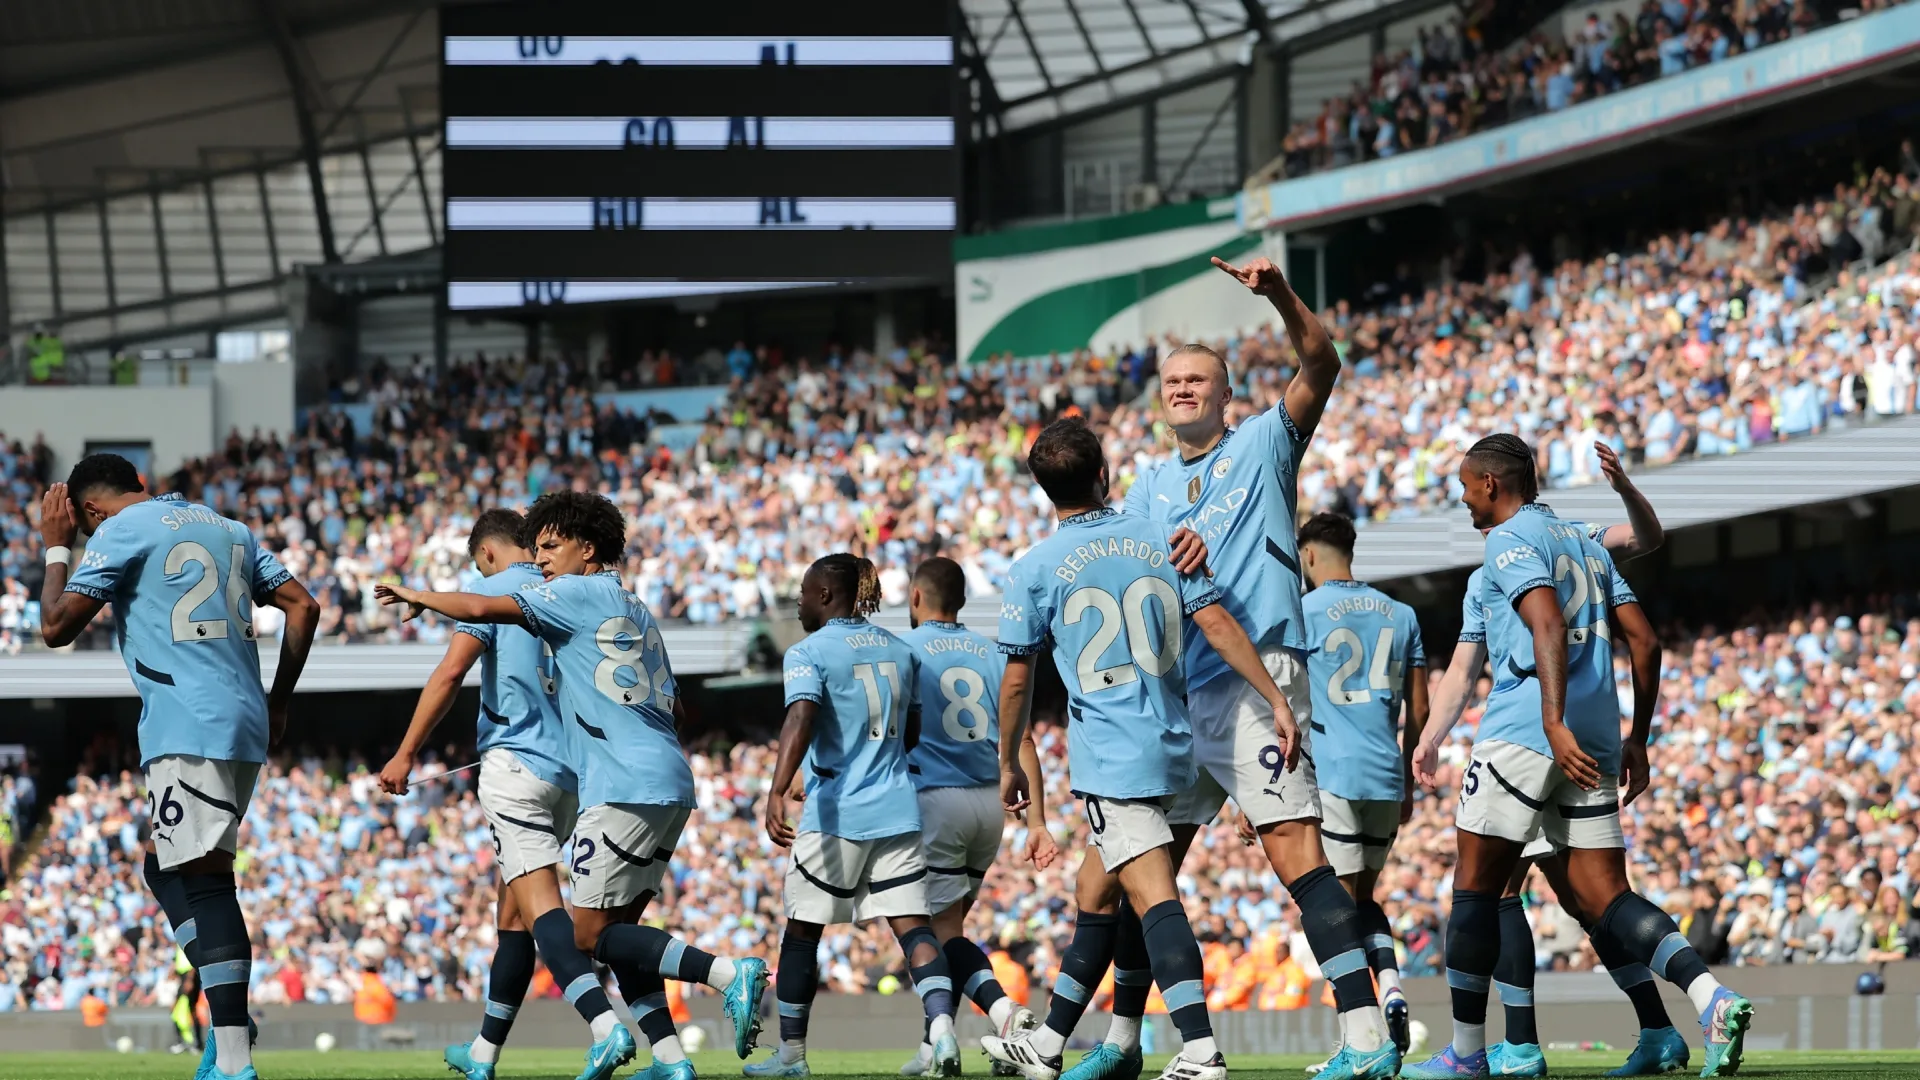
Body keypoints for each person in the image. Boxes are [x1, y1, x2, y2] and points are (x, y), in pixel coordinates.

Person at [1082, 257, 1396, 1080]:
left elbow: (1322, 364)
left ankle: (1367, 1041)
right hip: (1183, 694)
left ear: (1226, 395)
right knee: (1144, 871)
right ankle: (1121, 1044)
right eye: (1172, 380)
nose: (1183, 389)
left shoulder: (1264, 442)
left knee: (1296, 850)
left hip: (1261, 680)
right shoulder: (1146, 490)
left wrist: (1282, 297)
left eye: (1198, 380)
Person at [374, 491, 767, 1080]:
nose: (541, 559)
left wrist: (419, 595)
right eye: (536, 548)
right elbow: (678, 707)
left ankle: (722, 973)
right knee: (617, 931)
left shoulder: (568, 594)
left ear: (588, 549)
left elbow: (479, 614)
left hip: (616, 782)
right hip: (665, 777)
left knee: (583, 936)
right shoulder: (634, 606)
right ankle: (669, 1059)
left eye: (552, 546)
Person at [1402, 434, 1752, 1080]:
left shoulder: (1508, 544)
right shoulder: (1579, 544)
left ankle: (1472, 1053)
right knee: (1601, 896)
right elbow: (1643, 641)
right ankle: (1708, 999)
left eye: (1463, 482)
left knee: (1478, 890)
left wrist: (1550, 720)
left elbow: (1548, 626)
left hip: (1526, 734)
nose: (1459, 494)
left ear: (1490, 484)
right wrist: (1636, 736)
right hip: (1595, 736)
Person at [986, 418, 1304, 1080]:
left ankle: (1199, 1050)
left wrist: (1008, 756)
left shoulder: (1033, 570)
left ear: (1044, 491)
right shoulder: (1164, 539)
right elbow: (1215, 623)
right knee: (1093, 890)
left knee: (1155, 898)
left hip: (1112, 754)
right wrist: (1275, 697)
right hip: (1171, 738)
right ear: (1105, 475)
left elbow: (1018, 681)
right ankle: (1046, 1045)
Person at [36, 453, 321, 1080]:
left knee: (208, 880)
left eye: (81, 526)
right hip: (242, 717)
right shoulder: (228, 527)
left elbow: (55, 626)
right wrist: (278, 705)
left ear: (90, 511)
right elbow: (304, 606)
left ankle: (235, 1058)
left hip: (190, 721)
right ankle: (230, 1017)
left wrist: (57, 550)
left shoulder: (118, 531)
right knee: (162, 864)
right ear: (141, 483)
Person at [378, 508, 608, 1080]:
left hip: (516, 765)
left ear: (485, 553)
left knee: (541, 908)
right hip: (572, 776)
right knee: (512, 916)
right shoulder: (568, 589)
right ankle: (483, 1054)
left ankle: (604, 1026)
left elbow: (451, 673)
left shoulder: (493, 588)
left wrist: (406, 752)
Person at [748, 554, 962, 1079]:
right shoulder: (899, 649)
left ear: (825, 595)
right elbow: (910, 735)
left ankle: (792, 1057)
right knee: (915, 930)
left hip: (837, 813)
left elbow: (802, 715)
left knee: (802, 933)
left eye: (802, 591)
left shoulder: (807, 652)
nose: (797, 601)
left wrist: (777, 789)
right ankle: (941, 1027)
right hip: (897, 808)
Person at [894, 557, 1038, 1077]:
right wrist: (1037, 818)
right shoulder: (993, 653)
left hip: (937, 798)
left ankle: (1005, 1015)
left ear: (916, 598)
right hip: (989, 804)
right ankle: (936, 1043)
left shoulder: (905, 649)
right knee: (948, 932)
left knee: (939, 937)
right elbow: (1024, 739)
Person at [1295, 511, 1427, 1061]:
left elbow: (1290, 701)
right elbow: (1418, 707)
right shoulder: (1402, 614)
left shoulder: (1303, 613)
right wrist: (1409, 779)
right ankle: (1392, 985)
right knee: (1365, 898)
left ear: (1308, 556)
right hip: (1384, 775)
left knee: (1332, 910)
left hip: (1334, 774)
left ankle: (1360, 1036)